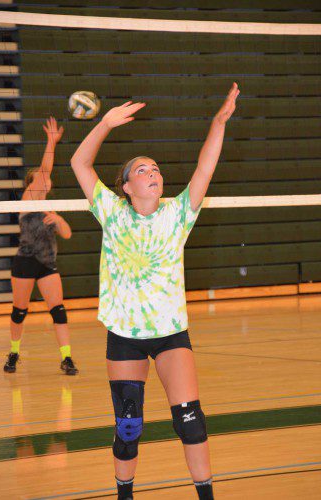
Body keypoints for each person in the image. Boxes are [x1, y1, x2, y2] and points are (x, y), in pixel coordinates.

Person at [71, 83, 239, 499]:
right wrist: (106, 123)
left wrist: (218, 124)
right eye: (143, 170)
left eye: (156, 169)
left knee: (189, 419)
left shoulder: (178, 213)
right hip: (125, 336)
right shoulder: (110, 211)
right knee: (128, 424)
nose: (153, 173)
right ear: (126, 186)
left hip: (169, 334)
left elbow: (205, 168)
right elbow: (79, 161)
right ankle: (124, 494)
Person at [4, 117, 78, 376]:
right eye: (38, 178)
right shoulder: (27, 199)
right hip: (24, 262)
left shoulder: (50, 208)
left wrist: (58, 219)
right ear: (31, 184)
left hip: (47, 264)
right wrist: (50, 142)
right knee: (19, 310)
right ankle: (14, 352)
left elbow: (67, 234)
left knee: (58, 309)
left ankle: (66, 358)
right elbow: (45, 170)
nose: (45, 179)